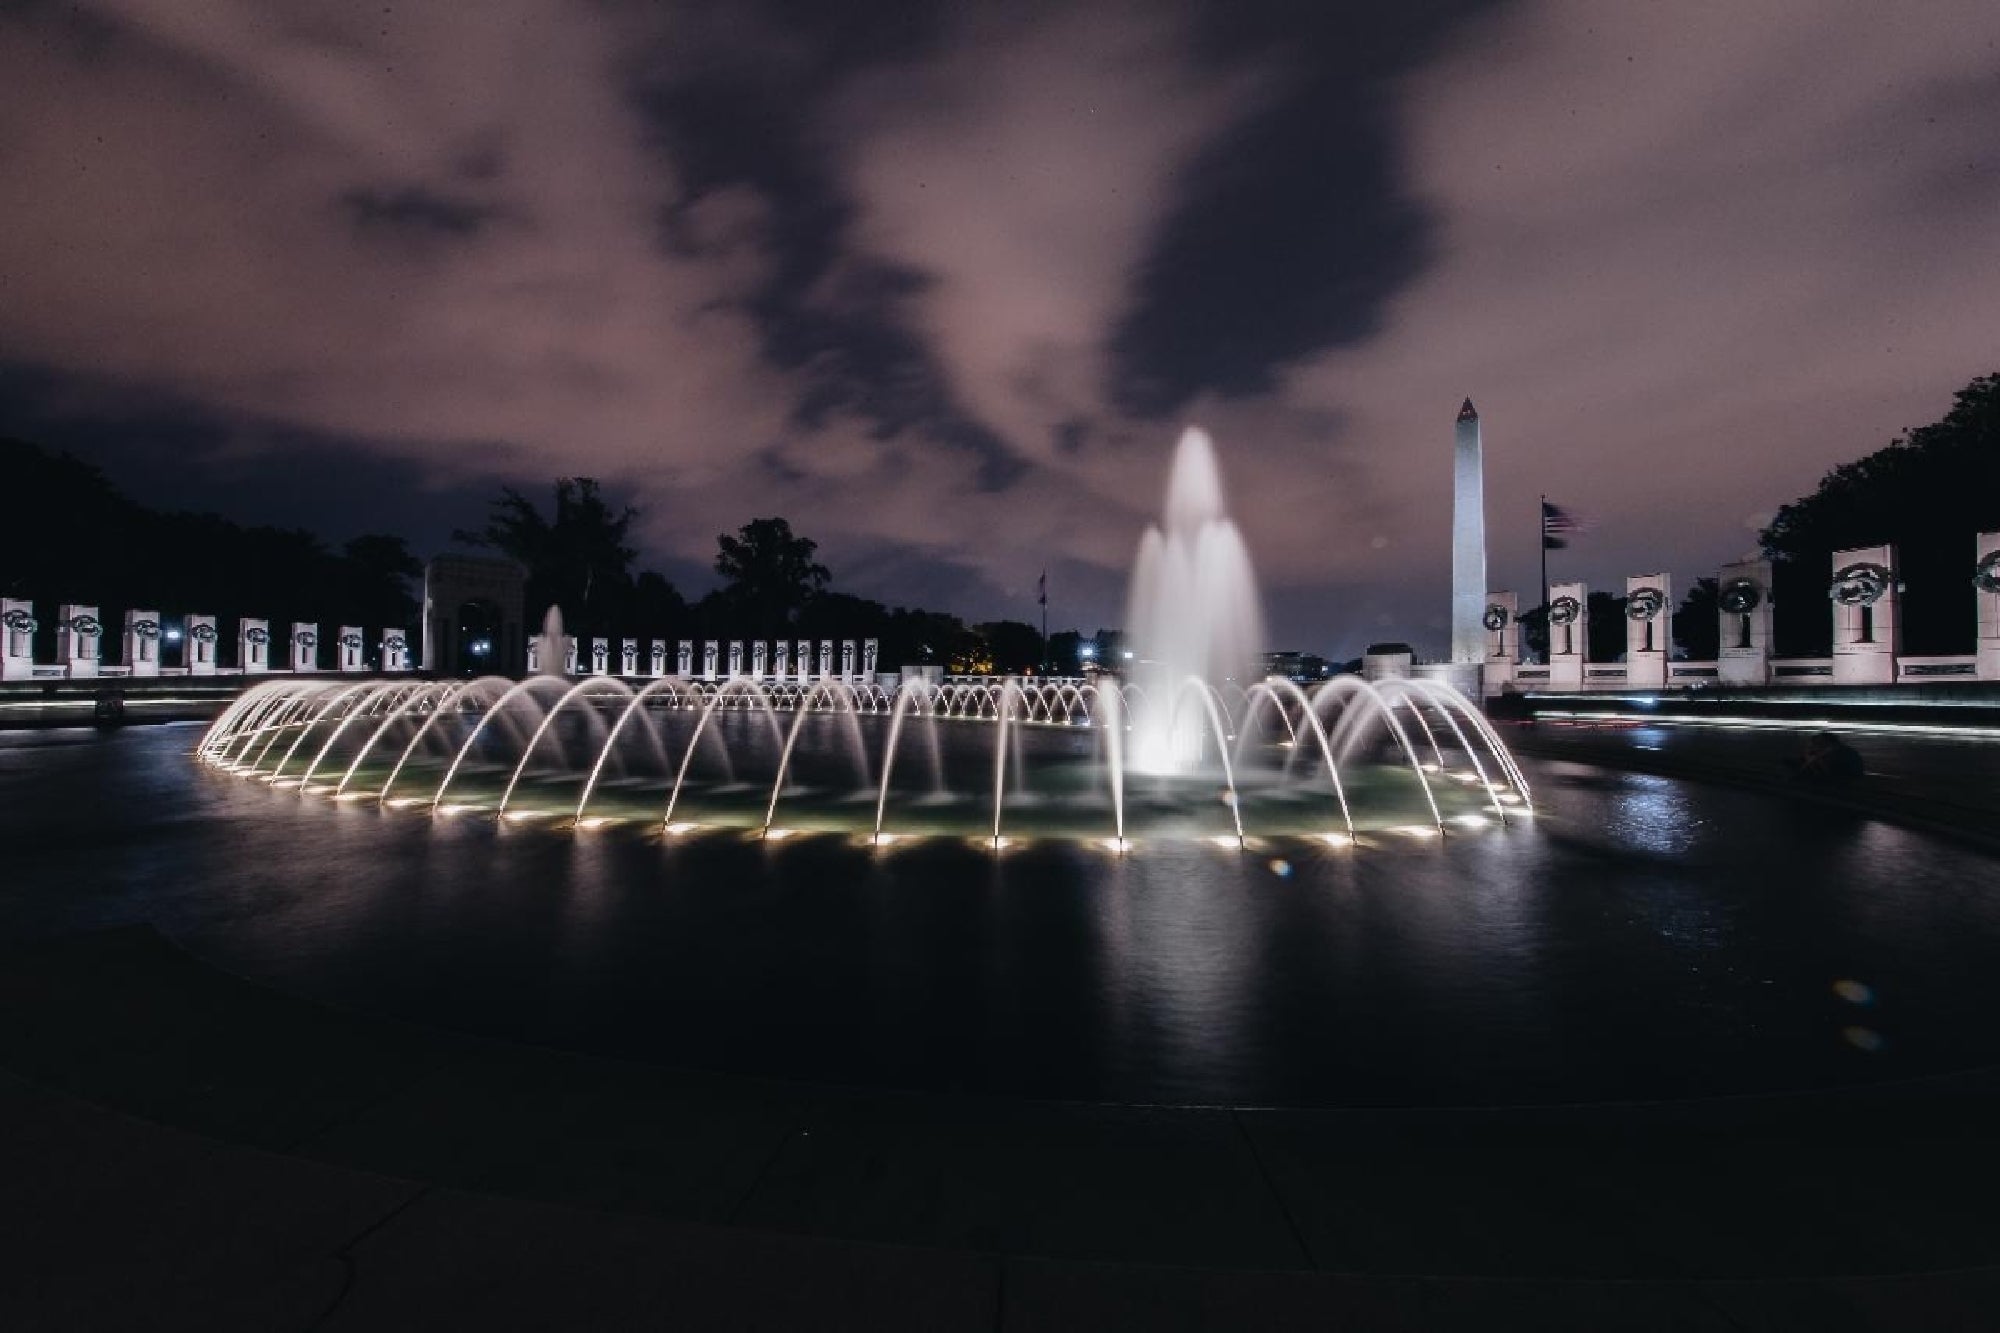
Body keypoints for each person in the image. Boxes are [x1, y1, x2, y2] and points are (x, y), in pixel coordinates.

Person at [1788, 731, 1862, 786]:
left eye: (1818, 744)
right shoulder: (1842, 751)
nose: (1815, 747)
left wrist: (1813, 759)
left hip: (1840, 786)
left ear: (1827, 743)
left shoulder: (1840, 754)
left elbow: (1828, 774)